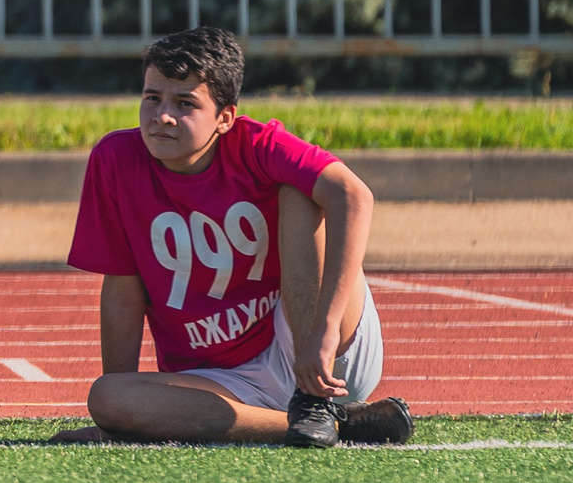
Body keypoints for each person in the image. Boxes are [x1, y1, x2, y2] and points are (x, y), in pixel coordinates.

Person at [55, 27, 413, 448]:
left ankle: (318, 405)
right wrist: (118, 423)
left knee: (301, 189)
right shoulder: (115, 160)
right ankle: (339, 424)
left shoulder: (258, 145)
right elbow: (121, 289)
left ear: (225, 117)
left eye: (185, 103)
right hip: (222, 383)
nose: (162, 116)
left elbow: (353, 195)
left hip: (318, 353)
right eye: (152, 97)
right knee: (107, 395)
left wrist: (325, 333)